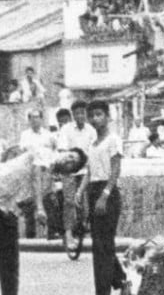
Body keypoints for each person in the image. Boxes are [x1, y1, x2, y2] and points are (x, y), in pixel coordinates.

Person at [1, 146, 88, 295]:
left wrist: (21, 209)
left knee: (10, 260)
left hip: (6, 208)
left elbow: (27, 200)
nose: (68, 160)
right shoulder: (46, 153)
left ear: (69, 171)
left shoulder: (49, 186)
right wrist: (40, 208)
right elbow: (36, 176)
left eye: (72, 163)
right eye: (70, 155)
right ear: (64, 152)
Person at [75, 100, 127, 295]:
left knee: (104, 244)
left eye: (99, 114)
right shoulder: (92, 143)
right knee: (99, 243)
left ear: (107, 116)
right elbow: (89, 171)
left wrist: (105, 195)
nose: (95, 119)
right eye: (92, 116)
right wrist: (80, 191)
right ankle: (121, 280)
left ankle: (103, 291)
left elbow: (116, 169)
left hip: (108, 192)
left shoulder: (113, 139)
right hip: (93, 191)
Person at [57, 100, 96, 248]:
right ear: (73, 115)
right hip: (70, 170)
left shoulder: (91, 130)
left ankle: (84, 226)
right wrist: (69, 161)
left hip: (86, 170)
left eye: (82, 113)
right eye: (77, 113)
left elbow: (94, 149)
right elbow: (62, 149)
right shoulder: (66, 129)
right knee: (69, 202)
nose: (80, 116)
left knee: (86, 204)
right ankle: (68, 234)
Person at [17, 109, 56, 239]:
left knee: (48, 200)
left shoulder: (48, 135)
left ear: (41, 119)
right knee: (29, 203)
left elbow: (54, 151)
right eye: (32, 118)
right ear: (29, 120)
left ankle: (52, 232)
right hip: (30, 172)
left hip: (46, 171)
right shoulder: (25, 135)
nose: (35, 120)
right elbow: (23, 151)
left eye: (37, 117)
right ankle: (30, 235)